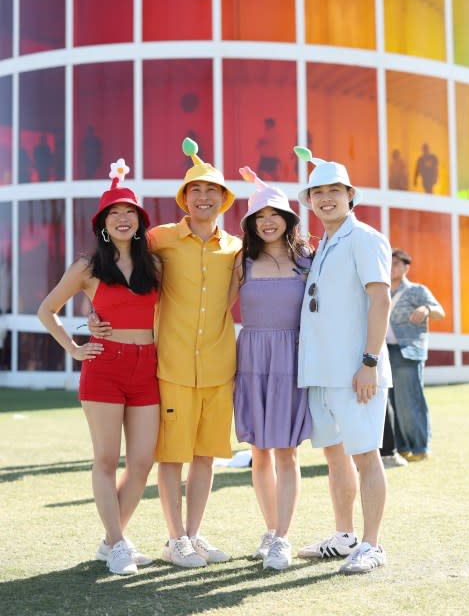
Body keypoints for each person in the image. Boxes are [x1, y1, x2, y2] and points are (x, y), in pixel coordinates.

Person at [90, 138, 241, 569]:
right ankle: (174, 540)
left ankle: (193, 534)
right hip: (171, 367)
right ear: (184, 198)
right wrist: (93, 312)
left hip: (218, 367)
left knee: (205, 457)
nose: (205, 198)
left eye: (213, 191)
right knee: (170, 457)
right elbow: (113, 270)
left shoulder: (235, 248)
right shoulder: (158, 239)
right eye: (196, 191)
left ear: (224, 199)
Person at [38, 159, 161, 576]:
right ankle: (120, 542)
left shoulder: (156, 265)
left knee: (142, 461)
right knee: (107, 459)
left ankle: (111, 542)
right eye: (115, 213)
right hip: (105, 366)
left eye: (130, 212)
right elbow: (46, 310)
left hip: (148, 368)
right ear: (103, 225)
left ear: (140, 222)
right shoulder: (88, 267)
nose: (123, 219)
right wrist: (74, 347)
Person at [293, 146, 392, 575]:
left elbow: (381, 300)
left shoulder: (365, 237)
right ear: (310, 200)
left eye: (334, 190)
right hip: (321, 373)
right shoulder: (325, 243)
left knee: (366, 455)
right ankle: (345, 536)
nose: (326, 198)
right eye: (318, 192)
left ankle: (372, 545)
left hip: (357, 373)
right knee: (335, 457)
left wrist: (368, 362)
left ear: (351, 194)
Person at [228, 167, 312, 571]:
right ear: (250, 224)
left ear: (289, 218)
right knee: (259, 453)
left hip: (292, 359)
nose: (267, 222)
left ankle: (283, 537)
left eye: (274, 215)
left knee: (287, 453)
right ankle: (270, 530)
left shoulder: (306, 261)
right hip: (252, 358)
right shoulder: (241, 261)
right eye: (259, 217)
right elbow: (212, 309)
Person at [385, 248, 445, 461]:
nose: (391, 266)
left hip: (408, 351)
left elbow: (440, 311)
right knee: (390, 403)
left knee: (409, 401)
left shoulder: (417, 291)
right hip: (383, 352)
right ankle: (401, 447)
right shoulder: (379, 290)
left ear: (406, 267)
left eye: (396, 262)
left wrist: (427, 310)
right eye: (388, 262)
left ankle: (420, 448)